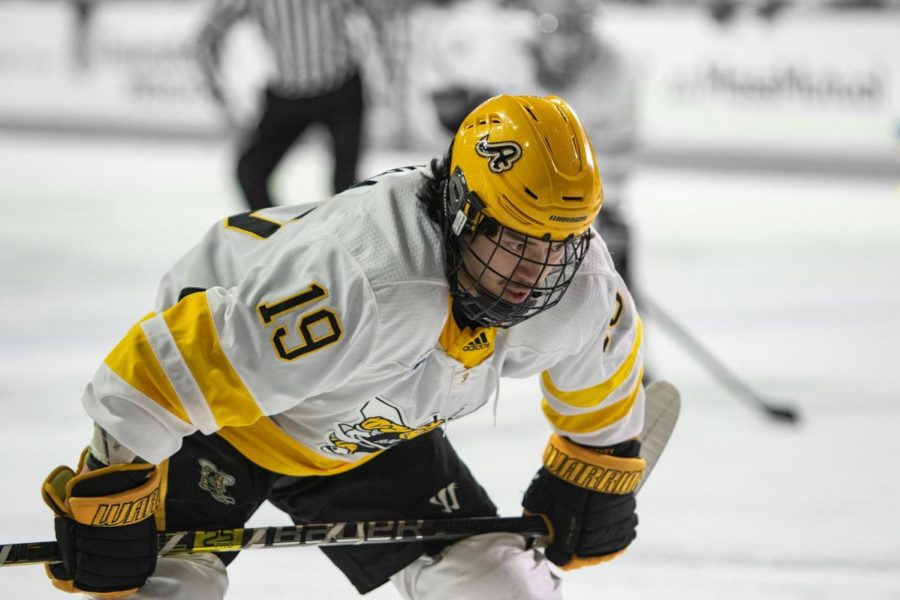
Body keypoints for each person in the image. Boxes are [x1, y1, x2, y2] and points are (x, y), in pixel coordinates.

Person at [41, 94, 647, 599]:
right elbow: (152, 375)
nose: (536, 272)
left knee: (502, 586)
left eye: (560, 243)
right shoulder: (365, 283)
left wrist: (593, 469)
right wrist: (111, 491)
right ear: (463, 208)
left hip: (363, 426)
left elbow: (605, 367)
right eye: (515, 239)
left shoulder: (581, 287)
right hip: (222, 427)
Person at [196, 0, 394, 211]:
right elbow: (208, 38)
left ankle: (347, 241)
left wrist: (385, 76)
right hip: (288, 95)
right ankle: (281, 237)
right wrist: (221, 94)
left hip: (340, 89)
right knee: (250, 172)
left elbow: (379, 15)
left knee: (346, 186)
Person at [525, 0, 641, 289]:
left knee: (605, 290)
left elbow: (617, 145)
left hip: (583, 198)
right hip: (528, 198)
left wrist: (609, 202)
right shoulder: (515, 55)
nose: (565, 44)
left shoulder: (615, 69)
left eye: (576, 27)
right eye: (554, 25)